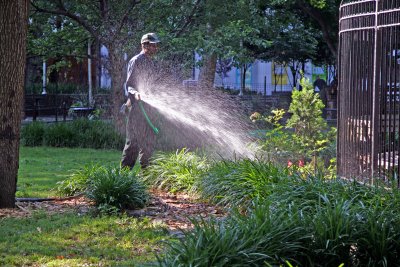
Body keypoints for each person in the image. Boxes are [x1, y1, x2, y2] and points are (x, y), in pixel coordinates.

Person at [121, 32, 160, 169]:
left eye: (156, 45)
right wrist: (136, 93)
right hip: (137, 107)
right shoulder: (136, 60)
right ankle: (124, 176)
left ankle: (147, 173)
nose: (156, 48)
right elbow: (129, 84)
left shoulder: (153, 63)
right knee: (133, 142)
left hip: (150, 108)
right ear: (145, 45)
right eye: (153, 45)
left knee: (149, 141)